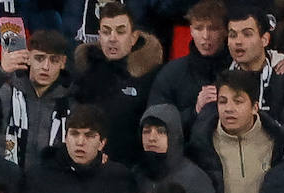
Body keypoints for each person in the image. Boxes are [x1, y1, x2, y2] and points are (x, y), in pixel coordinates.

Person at [69, 1, 162, 166]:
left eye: (120, 32)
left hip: (132, 169)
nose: (112, 38)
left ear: (133, 37)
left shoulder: (149, 74)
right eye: (106, 32)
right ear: (99, 35)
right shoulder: (84, 70)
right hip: (89, 167)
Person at [0, 28, 73, 169]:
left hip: (51, 182)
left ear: (63, 63)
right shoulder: (7, 91)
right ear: (28, 57)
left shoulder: (72, 100)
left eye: (54, 60)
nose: (45, 66)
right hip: (4, 178)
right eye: (39, 58)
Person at [146, 0, 228, 133]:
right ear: (191, 30)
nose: (205, 36)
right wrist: (195, 111)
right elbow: (155, 123)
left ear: (225, 31)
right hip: (187, 152)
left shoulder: (238, 69)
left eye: (213, 28)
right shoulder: (171, 73)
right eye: (199, 28)